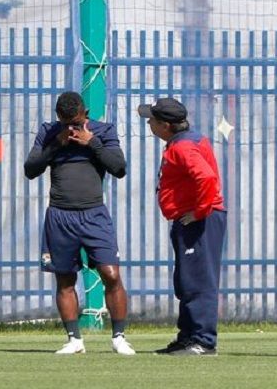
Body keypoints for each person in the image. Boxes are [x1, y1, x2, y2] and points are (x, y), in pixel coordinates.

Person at [24, 91, 134, 355]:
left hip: (94, 214)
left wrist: (92, 142)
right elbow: (30, 170)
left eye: (74, 121)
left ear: (84, 113)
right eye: (65, 122)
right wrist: (56, 145)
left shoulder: (103, 131)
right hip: (60, 216)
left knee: (111, 274)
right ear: (58, 117)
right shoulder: (50, 132)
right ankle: (74, 340)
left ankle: (119, 337)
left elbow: (119, 168)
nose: (70, 128)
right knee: (65, 279)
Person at [138, 97, 227, 356]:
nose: (149, 124)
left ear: (165, 125)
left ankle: (203, 341)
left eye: (152, 120)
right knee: (187, 281)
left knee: (199, 281)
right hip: (191, 220)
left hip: (201, 220)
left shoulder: (184, 146)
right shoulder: (182, 141)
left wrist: (199, 211)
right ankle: (188, 337)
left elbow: (207, 177)